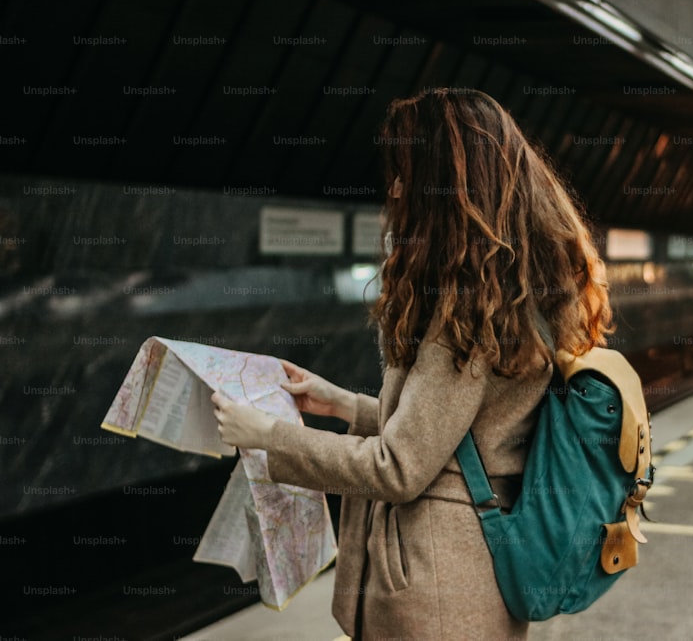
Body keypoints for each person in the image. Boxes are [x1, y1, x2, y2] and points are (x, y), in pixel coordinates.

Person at [211, 88, 613, 639]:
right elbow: (455, 435)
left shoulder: (468, 316)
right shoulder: (513, 296)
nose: (395, 188)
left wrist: (269, 436)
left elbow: (398, 468)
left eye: (406, 172)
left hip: (438, 586)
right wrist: (344, 405)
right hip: (463, 574)